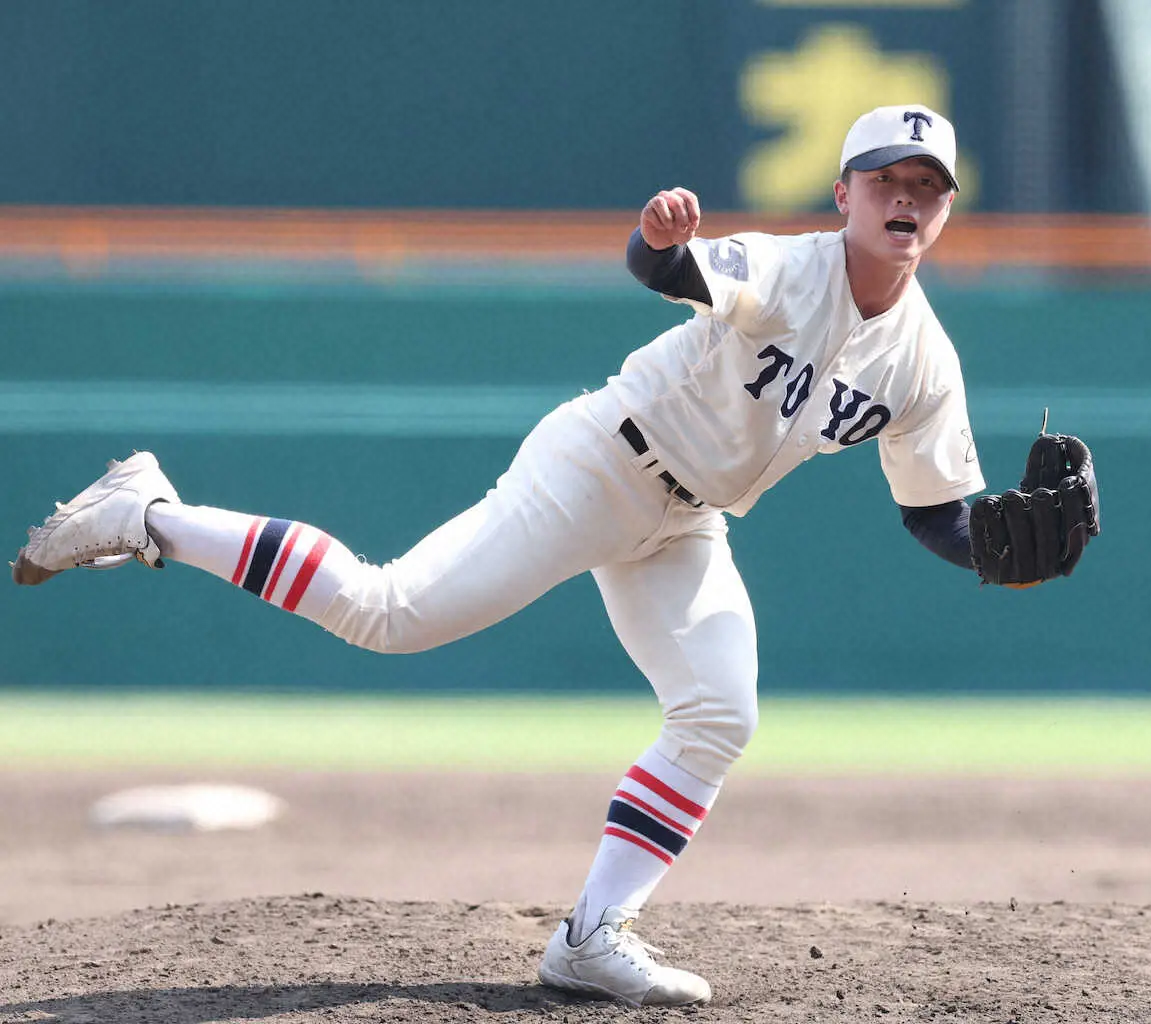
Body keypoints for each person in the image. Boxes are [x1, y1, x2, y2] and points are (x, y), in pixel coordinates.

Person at [13, 105, 1003, 1007]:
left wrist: (1008, 553)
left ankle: (591, 936)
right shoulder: (792, 267)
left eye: (925, 187)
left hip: (689, 521)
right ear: (845, 195)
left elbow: (936, 514)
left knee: (718, 710)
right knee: (388, 612)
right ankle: (149, 512)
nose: (904, 199)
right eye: (885, 180)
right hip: (600, 465)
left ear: (946, 209)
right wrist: (659, 237)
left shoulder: (924, 361)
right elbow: (667, 268)